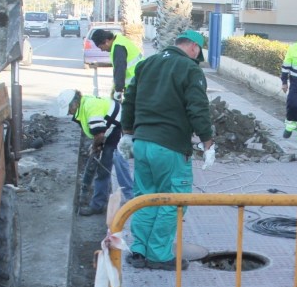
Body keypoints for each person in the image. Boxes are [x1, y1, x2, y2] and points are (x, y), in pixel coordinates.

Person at [120, 30, 214, 271]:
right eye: (197, 53)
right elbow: (198, 107)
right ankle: (159, 255)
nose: (196, 58)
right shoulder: (190, 69)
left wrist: (127, 132)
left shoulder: (147, 63)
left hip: (142, 144)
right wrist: (207, 141)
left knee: (144, 198)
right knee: (173, 200)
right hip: (169, 146)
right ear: (194, 47)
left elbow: (129, 100)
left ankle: (139, 250)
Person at [62, 89, 134, 216]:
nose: (68, 113)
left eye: (68, 109)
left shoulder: (90, 107)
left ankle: (130, 198)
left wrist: (96, 146)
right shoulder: (84, 105)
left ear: (74, 103)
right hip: (111, 129)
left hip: (118, 127)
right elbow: (98, 132)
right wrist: (96, 146)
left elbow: (99, 134)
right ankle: (100, 203)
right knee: (106, 165)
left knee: (115, 162)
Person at [90, 29, 143, 101]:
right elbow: (118, 71)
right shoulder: (119, 40)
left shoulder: (118, 48)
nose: (102, 50)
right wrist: (115, 88)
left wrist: (118, 90)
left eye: (101, 47)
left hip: (137, 82)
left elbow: (120, 70)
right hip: (139, 80)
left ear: (106, 41)